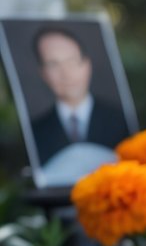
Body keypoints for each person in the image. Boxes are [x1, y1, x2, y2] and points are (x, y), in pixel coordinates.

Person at [28, 26, 129, 166]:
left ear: (87, 65)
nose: (66, 74)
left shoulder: (123, 120)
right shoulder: (34, 133)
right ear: (43, 73)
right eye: (53, 64)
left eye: (72, 61)